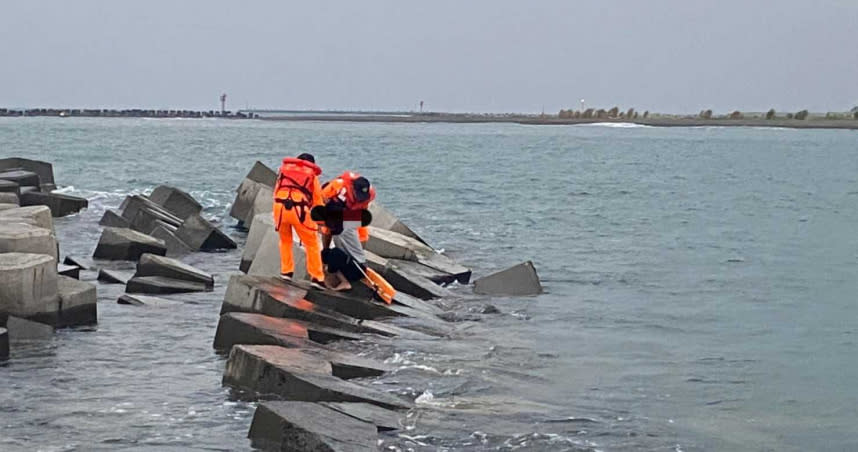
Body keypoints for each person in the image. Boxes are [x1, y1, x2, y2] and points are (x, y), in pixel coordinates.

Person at [272, 153, 325, 286]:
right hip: (299, 210)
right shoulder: (311, 175)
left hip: (279, 208)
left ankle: (286, 272)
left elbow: (276, 191)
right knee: (312, 243)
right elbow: (318, 201)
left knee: (285, 241)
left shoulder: (284, 171)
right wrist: (320, 222)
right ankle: (317, 277)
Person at [320, 171, 376, 266]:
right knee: (328, 229)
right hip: (336, 207)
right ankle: (326, 251)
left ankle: (358, 259)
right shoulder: (338, 185)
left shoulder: (369, 194)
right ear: (352, 188)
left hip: (353, 210)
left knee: (362, 232)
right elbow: (321, 199)